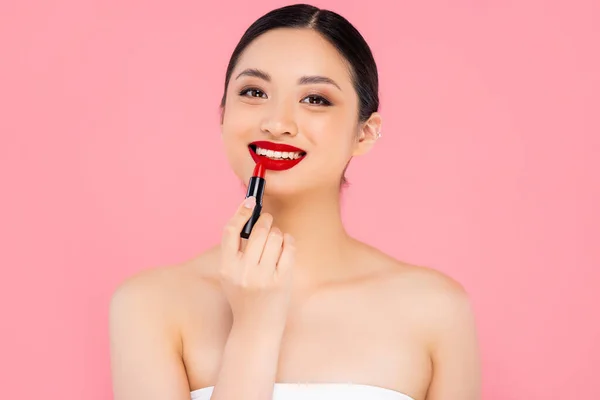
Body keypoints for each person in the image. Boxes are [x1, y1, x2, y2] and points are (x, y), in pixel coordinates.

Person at [109, 4, 481, 400]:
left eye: (316, 99)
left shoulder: (437, 310)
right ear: (222, 115)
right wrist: (253, 330)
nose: (277, 122)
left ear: (365, 133)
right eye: (254, 92)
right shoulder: (150, 306)